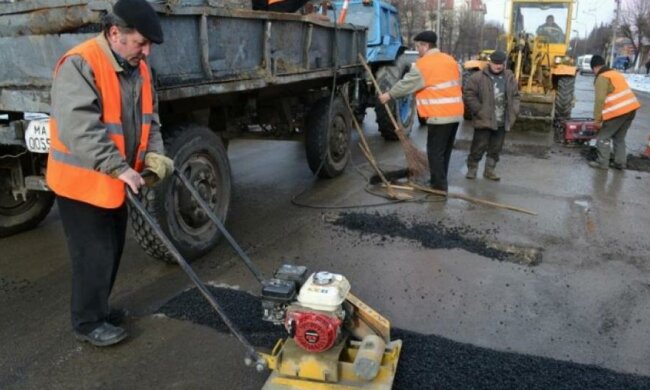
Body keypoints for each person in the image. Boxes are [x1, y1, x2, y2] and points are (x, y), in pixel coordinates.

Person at [46, 0, 174, 347]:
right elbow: (79, 129)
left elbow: (151, 120)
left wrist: (155, 157)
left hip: (115, 183)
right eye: (141, 43)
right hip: (83, 184)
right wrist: (119, 167)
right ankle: (87, 322)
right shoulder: (81, 63)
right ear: (115, 33)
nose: (146, 52)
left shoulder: (141, 70)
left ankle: (99, 308)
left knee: (113, 248)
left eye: (148, 45)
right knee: (94, 253)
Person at [379, 31, 463, 197]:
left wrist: (388, 95)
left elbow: (406, 84)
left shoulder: (424, 65)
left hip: (440, 115)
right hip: (455, 113)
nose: (417, 49)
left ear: (425, 45)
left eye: (418, 46)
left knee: (435, 152)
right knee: (444, 151)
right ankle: (439, 180)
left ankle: (438, 186)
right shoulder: (450, 60)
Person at [463, 50, 520, 181]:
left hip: (502, 120)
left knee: (496, 148)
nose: (498, 66)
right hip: (484, 119)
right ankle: (472, 169)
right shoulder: (478, 77)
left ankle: (489, 171)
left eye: (500, 63)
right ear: (490, 62)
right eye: (495, 63)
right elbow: (469, 94)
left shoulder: (509, 78)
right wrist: (478, 110)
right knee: (478, 146)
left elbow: (516, 96)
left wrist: (514, 111)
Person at [587, 54, 640, 170]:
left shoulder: (602, 77)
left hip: (618, 112)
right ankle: (620, 162)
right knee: (619, 137)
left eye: (593, 70)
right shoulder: (615, 74)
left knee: (603, 137)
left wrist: (597, 120)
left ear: (595, 67)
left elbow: (600, 100)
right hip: (631, 109)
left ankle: (602, 163)